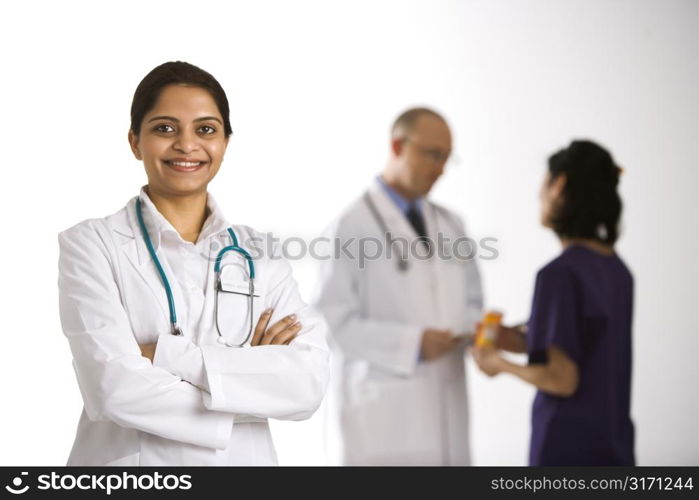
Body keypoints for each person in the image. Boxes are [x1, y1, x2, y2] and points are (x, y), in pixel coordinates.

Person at [57, 61, 330, 466]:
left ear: (225, 142)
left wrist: (165, 356)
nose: (187, 144)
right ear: (135, 142)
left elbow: (306, 384)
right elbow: (112, 388)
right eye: (165, 128)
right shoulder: (92, 244)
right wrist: (248, 385)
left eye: (206, 129)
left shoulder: (260, 255)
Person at [313, 107, 483, 465]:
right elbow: (331, 322)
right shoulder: (351, 226)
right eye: (432, 155)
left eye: (446, 158)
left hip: (449, 406)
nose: (440, 168)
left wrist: (481, 333)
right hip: (383, 420)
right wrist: (413, 343)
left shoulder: (452, 225)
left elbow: (472, 303)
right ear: (397, 145)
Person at [471, 140, 635, 466]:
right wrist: (515, 338)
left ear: (558, 185)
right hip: (614, 447)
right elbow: (583, 343)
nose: (538, 195)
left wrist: (497, 363)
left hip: (566, 451)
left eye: (543, 184)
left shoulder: (558, 274)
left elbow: (562, 378)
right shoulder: (617, 270)